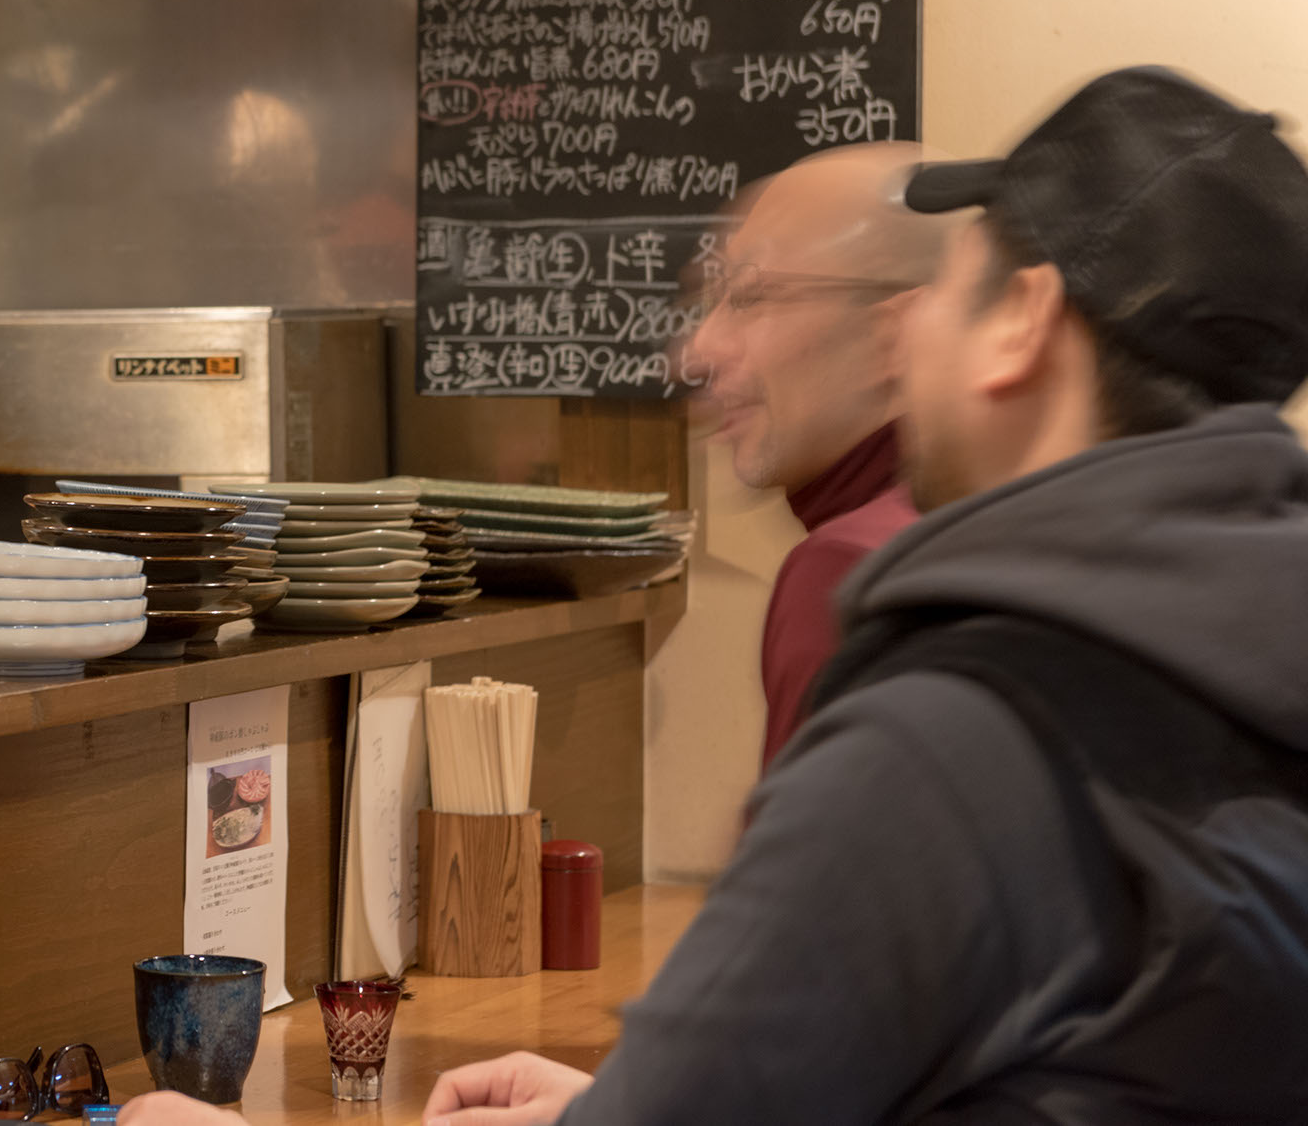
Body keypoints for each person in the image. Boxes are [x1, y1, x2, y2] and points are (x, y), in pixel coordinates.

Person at [133, 67, 1308, 1126]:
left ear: (1021, 322)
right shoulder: (1241, 658)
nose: (912, 333)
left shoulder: (959, 729)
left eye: (948, 288)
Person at [680, 143, 947, 763]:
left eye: (751, 297)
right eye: (711, 301)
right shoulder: (1003, 513)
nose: (701, 348)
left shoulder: (849, 573)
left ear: (893, 335)